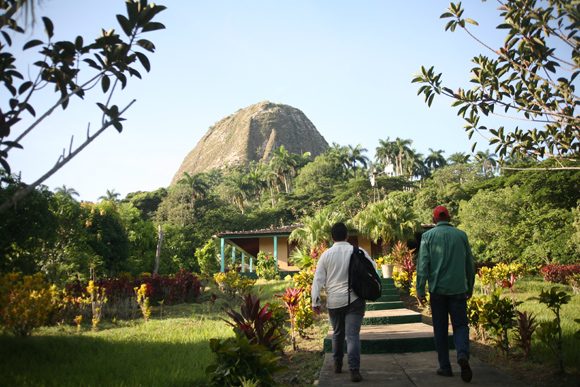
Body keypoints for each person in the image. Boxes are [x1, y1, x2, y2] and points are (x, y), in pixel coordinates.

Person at [416, 205, 475, 383]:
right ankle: (462, 355)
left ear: (434, 220)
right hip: (458, 290)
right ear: (449, 218)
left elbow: (423, 265)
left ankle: (445, 367)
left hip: (438, 291)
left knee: (440, 329)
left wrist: (420, 289)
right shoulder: (461, 235)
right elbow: (469, 264)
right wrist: (470, 286)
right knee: (461, 326)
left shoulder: (427, 236)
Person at [311, 222, 375, 383]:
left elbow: (318, 280)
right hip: (355, 299)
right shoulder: (358, 251)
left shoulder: (326, 255)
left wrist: (315, 302)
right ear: (347, 235)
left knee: (338, 333)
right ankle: (354, 370)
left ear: (332, 237)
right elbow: (373, 267)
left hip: (334, 302)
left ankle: (337, 364)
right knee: (352, 335)